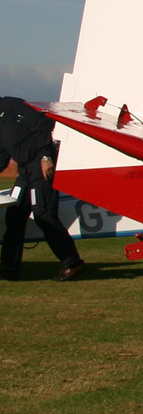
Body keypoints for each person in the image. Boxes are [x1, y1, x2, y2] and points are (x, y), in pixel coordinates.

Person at [0, 97, 85, 281]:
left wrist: (46, 156)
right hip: (24, 171)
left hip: (40, 165)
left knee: (43, 213)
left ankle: (72, 262)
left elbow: (42, 124)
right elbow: (2, 155)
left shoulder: (11, 106)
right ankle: (9, 268)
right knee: (14, 215)